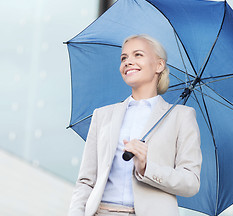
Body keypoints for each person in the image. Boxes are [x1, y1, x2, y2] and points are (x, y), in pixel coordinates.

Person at [68, 34, 202, 216]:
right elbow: (86, 181)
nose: (128, 61)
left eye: (138, 55)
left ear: (159, 65)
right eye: (124, 57)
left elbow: (191, 182)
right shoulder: (103, 115)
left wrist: (147, 167)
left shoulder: (181, 116)